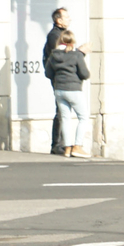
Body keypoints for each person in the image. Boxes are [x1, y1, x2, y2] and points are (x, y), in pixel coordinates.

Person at [45, 29, 91, 159]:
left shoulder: (53, 55)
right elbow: (85, 74)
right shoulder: (76, 55)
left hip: (59, 90)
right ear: (72, 42)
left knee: (65, 118)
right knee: (83, 117)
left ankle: (67, 148)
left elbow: (48, 73)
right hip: (74, 89)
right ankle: (78, 146)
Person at [42, 8, 72, 156]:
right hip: (59, 76)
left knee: (63, 109)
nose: (69, 19)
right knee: (61, 109)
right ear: (58, 20)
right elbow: (59, 55)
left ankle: (61, 143)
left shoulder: (60, 34)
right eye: (66, 17)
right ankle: (57, 144)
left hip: (61, 75)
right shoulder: (55, 35)